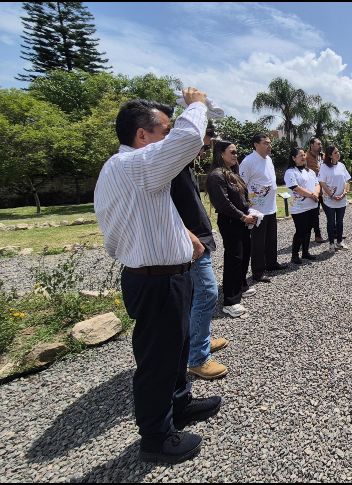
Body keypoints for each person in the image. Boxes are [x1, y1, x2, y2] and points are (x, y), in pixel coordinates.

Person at [94, 89, 221, 464]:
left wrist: (186, 239)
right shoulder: (133, 165)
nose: (169, 136)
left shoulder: (134, 171)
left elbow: (148, 215)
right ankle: (155, 438)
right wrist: (196, 104)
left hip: (167, 274)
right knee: (157, 361)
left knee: (177, 346)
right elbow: (188, 138)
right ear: (142, 135)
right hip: (155, 279)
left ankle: (179, 406)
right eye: (163, 129)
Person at [170, 126, 234, 381]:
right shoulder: (172, 166)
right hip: (192, 242)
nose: (204, 150)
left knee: (198, 293)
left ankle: (201, 340)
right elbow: (166, 210)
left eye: (206, 146)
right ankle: (197, 357)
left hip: (199, 238)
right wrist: (191, 236)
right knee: (207, 292)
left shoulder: (184, 166)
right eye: (203, 144)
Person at [205, 140, 258, 320]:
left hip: (242, 220)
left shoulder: (231, 173)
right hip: (230, 221)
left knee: (245, 254)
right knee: (234, 258)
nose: (236, 155)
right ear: (221, 154)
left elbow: (241, 196)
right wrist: (243, 216)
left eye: (236, 152)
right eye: (233, 152)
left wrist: (249, 209)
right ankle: (230, 300)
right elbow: (223, 203)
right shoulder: (216, 175)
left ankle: (241, 285)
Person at [240, 133, 287, 283]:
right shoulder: (248, 161)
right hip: (257, 210)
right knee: (258, 243)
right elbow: (241, 186)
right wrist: (246, 207)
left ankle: (272, 264)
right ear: (256, 144)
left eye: (269, 143)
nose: (269, 146)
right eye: (265, 143)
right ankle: (258, 272)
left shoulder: (269, 160)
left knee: (271, 239)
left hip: (271, 207)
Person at [284, 147, 320, 264]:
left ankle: (305, 252)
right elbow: (296, 188)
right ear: (293, 158)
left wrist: (316, 193)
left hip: (312, 206)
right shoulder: (290, 172)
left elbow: (317, 184)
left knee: (308, 230)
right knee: (300, 231)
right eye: (301, 155)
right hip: (299, 208)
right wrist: (311, 195)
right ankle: (294, 255)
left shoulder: (310, 171)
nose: (304, 157)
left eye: (304, 155)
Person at [319, 145, 352, 251]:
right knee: (331, 222)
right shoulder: (324, 167)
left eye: (338, 152)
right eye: (335, 153)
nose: (338, 154)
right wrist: (331, 195)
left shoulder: (341, 165)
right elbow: (322, 183)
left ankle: (339, 241)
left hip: (341, 199)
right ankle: (331, 243)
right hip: (329, 200)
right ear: (330, 155)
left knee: (340, 221)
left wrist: (343, 193)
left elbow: (347, 181)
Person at [306, 136, 326, 243]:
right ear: (311, 145)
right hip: (314, 190)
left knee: (330, 210)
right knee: (315, 214)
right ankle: (317, 235)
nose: (320, 146)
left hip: (325, 189)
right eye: (318, 144)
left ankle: (335, 231)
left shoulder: (323, 156)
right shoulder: (306, 157)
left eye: (320, 144)